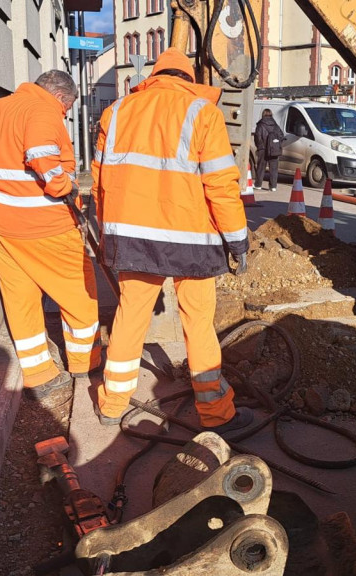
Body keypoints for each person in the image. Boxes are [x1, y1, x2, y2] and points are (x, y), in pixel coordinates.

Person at [91, 47, 252, 433]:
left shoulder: (115, 114)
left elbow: (101, 185)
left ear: (154, 75)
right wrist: (238, 242)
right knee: (197, 324)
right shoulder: (202, 113)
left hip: (131, 238)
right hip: (192, 242)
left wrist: (107, 235)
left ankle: (112, 405)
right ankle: (215, 414)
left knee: (130, 318)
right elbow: (221, 187)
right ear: (189, 78)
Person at [0, 70, 102, 417]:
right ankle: (85, 362)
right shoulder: (42, 112)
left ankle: (40, 375)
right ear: (60, 97)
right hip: (43, 226)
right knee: (80, 293)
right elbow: (45, 162)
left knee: (21, 298)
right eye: (67, 109)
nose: (65, 115)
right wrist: (65, 187)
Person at [253, 109, 284, 192]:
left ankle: (258, 185)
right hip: (274, 149)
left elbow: (257, 136)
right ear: (271, 114)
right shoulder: (275, 125)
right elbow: (281, 136)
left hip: (263, 149)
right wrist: (276, 144)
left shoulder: (260, 125)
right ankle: (273, 186)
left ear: (263, 114)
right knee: (273, 169)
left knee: (261, 168)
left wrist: (259, 146)